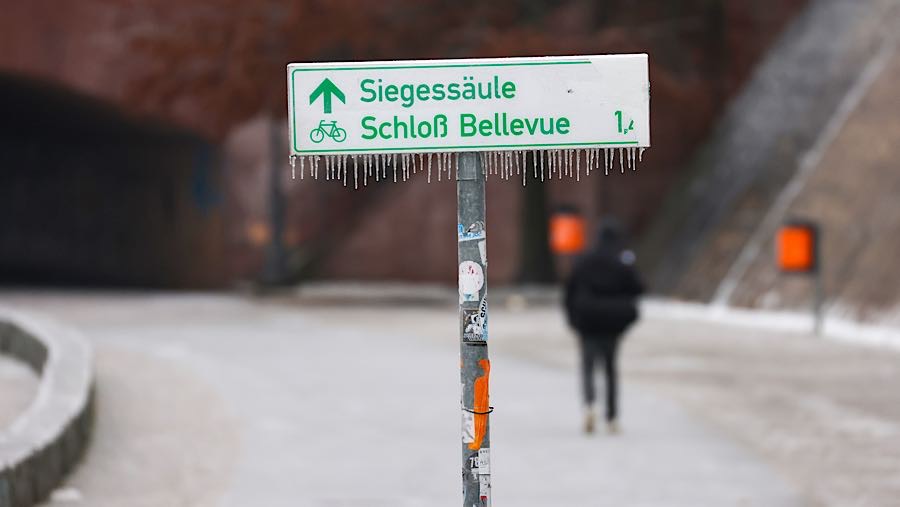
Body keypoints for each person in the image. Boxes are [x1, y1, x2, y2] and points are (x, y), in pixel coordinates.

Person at [564, 218, 644, 434]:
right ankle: (612, 417)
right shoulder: (621, 262)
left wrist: (572, 319)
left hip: (587, 320)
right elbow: (638, 288)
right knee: (610, 368)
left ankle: (590, 404)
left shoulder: (584, 261)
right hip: (613, 323)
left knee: (588, 365)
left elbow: (570, 291)